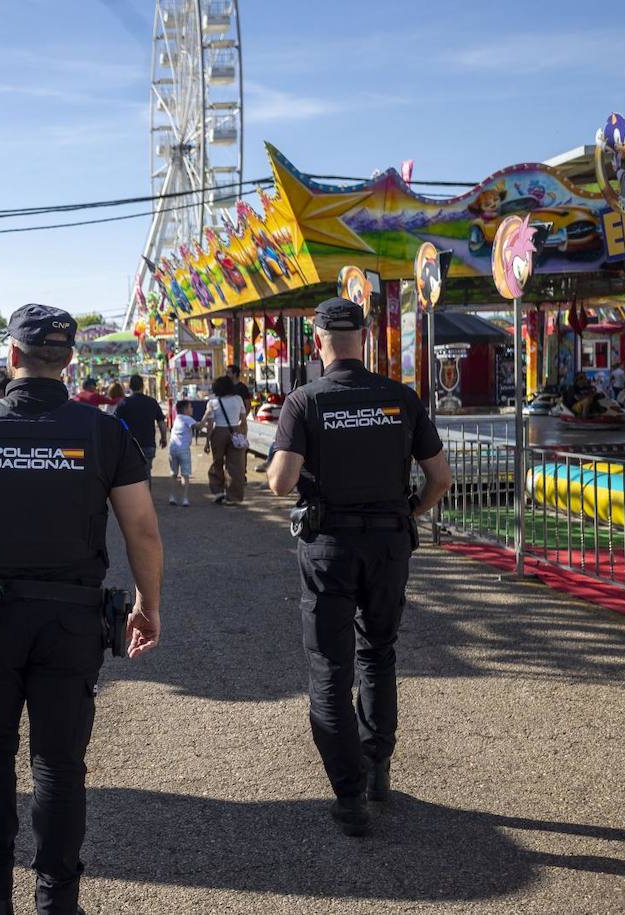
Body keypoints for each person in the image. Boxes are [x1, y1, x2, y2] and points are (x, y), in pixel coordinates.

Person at [0, 304, 164, 915]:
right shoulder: (104, 432)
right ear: (68, 361)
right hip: (71, 618)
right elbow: (143, 531)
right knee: (60, 760)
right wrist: (149, 605)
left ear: (11, 357)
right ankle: (57, 901)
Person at [267, 297, 452, 838]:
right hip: (390, 542)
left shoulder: (305, 401)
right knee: (378, 653)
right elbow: (440, 479)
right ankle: (377, 770)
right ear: (365, 337)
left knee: (330, 667)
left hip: (329, 546)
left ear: (317, 338)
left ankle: (349, 794)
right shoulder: (400, 398)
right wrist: (407, 511)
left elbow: (280, 483)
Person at [201, 375, 249, 505]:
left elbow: (210, 424)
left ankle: (218, 491)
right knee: (236, 466)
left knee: (217, 462)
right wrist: (243, 436)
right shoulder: (238, 399)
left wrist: (207, 441)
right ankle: (234, 496)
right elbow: (243, 420)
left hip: (219, 433)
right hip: (236, 431)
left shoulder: (213, 402)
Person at [114, 373, 167, 472]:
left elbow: (116, 423)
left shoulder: (124, 403)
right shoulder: (152, 402)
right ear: (143, 386)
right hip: (148, 444)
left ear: (130, 386)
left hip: (130, 445)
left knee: (131, 475)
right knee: (146, 473)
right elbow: (161, 422)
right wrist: (163, 438)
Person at [167, 400, 196, 507]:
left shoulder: (177, 418)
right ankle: (185, 498)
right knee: (185, 475)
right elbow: (198, 426)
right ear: (185, 410)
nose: (192, 409)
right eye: (190, 407)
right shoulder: (187, 418)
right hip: (183, 449)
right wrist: (207, 416)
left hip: (173, 448)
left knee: (173, 473)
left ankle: (172, 496)